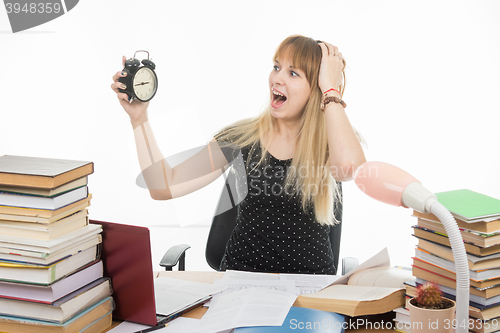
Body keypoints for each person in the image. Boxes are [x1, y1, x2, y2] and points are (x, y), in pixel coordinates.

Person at [111, 35, 366, 274]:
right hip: (241, 284)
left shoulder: (332, 139)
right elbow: (163, 186)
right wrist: (139, 118)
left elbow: (350, 168)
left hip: (311, 290)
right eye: (276, 67)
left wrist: (330, 91)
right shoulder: (242, 137)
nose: (277, 79)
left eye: (293, 73)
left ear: (317, 86)